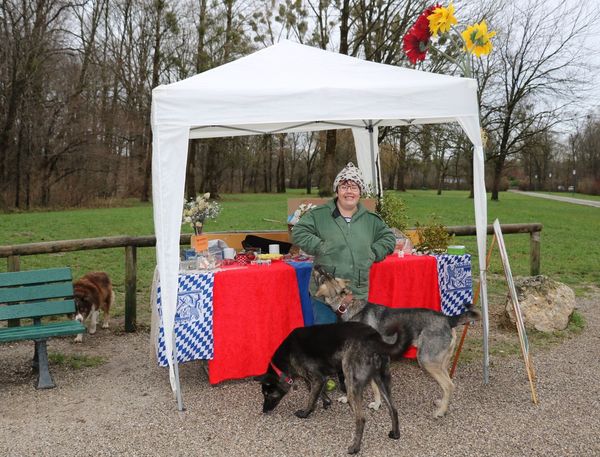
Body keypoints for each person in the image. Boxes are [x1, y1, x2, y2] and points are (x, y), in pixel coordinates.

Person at [292, 162, 396, 324]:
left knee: (354, 343)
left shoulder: (371, 220)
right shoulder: (319, 215)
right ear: (337, 190)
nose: (349, 191)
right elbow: (299, 232)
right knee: (327, 342)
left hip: (357, 295)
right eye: (344, 186)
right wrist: (321, 246)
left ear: (360, 191)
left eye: (354, 187)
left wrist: (374, 252)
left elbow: (388, 238)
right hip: (326, 294)